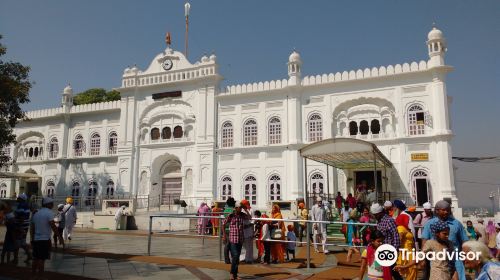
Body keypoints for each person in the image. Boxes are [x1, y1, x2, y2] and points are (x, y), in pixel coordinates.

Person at [422, 200, 468, 280]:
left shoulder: (456, 224)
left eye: (448, 210)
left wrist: (465, 254)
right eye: (443, 210)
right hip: (437, 262)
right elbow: (424, 241)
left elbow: (464, 240)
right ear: (437, 211)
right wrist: (424, 258)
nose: (446, 212)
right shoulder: (429, 224)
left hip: (456, 259)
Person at [30, 197, 61, 279]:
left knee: (35, 258)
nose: (53, 205)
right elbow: (53, 225)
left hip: (36, 239)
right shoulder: (49, 213)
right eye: (52, 203)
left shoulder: (36, 213)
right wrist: (59, 236)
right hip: (44, 240)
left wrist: (32, 239)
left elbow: (32, 228)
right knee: (41, 259)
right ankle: (40, 276)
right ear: (48, 204)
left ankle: (33, 275)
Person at [370, 203, 402, 280]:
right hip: (382, 251)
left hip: (389, 251)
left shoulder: (389, 221)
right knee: (389, 272)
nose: (374, 216)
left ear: (380, 213)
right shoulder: (379, 221)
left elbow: (395, 236)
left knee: (391, 271)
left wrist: (394, 251)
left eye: (376, 215)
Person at [222, 201, 246, 280]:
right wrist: (224, 235)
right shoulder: (231, 216)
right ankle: (232, 273)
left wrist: (245, 209)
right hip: (233, 238)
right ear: (236, 208)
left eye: (241, 208)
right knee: (235, 255)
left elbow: (250, 217)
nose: (241, 209)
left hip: (240, 238)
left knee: (236, 257)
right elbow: (223, 224)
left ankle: (235, 275)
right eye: (240, 207)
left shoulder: (242, 215)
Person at [394, 212, 417, 280]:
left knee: (411, 269)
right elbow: (400, 239)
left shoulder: (405, 228)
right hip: (406, 252)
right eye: (407, 220)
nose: (408, 221)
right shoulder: (401, 227)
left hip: (409, 251)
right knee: (410, 270)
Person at [13, 193, 32, 264]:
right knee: (22, 242)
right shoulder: (26, 205)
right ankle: (29, 255)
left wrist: (20, 227)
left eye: (18, 197)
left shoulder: (21, 205)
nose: (17, 198)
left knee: (17, 242)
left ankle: (15, 258)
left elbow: (21, 217)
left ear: (21, 199)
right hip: (25, 226)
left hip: (20, 227)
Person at [240, 199, 254, 264]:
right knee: (243, 245)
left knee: (249, 246)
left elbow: (253, 220)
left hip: (249, 229)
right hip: (243, 230)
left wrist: (248, 225)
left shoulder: (251, 210)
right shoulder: (241, 210)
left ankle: (249, 259)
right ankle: (243, 258)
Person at [223, 197, 236, 264]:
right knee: (229, 244)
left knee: (228, 244)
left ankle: (228, 259)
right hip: (232, 228)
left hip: (226, 228)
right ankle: (228, 259)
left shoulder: (225, 210)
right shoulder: (233, 210)